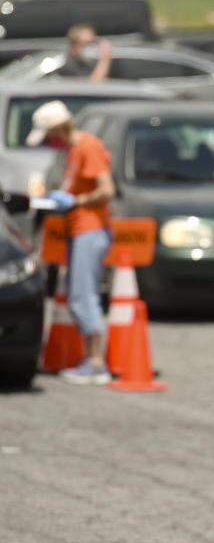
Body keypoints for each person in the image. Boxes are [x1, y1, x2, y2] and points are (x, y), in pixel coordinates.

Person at [27, 100, 115, 384]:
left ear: (57, 129)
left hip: (91, 228)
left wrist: (75, 201)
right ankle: (91, 359)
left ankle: (95, 361)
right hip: (80, 228)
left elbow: (107, 189)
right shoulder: (73, 150)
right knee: (80, 292)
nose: (49, 143)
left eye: (49, 136)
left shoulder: (87, 147)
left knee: (84, 293)